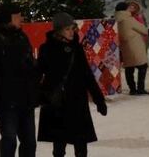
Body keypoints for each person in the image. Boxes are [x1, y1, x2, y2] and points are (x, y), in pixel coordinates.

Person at [37, 12, 106, 157]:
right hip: (57, 100)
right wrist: (38, 95)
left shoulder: (77, 48)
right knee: (59, 142)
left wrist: (99, 99)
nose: (71, 32)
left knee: (80, 142)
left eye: (72, 28)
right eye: (67, 29)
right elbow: (37, 74)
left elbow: (87, 74)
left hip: (76, 100)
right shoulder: (47, 48)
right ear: (58, 30)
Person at [0, 3, 39, 157]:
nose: (21, 19)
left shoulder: (22, 37)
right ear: (7, 19)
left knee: (30, 142)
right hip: (6, 102)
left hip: (26, 99)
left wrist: (35, 90)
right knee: (9, 139)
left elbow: (30, 66)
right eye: (17, 16)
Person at [115, 2, 149, 96]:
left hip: (125, 47)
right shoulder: (129, 19)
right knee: (142, 66)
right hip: (135, 46)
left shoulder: (116, 20)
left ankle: (132, 89)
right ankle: (140, 88)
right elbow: (144, 30)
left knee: (129, 69)